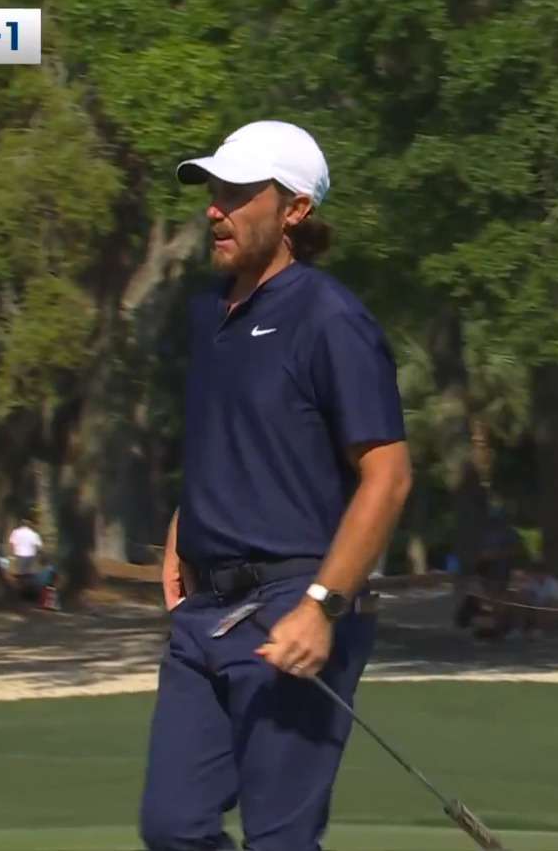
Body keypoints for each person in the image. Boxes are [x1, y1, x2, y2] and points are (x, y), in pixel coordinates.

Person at [140, 120, 413, 851]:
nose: (214, 209)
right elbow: (227, 440)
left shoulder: (331, 320)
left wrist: (323, 606)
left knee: (280, 840)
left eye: (236, 192)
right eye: (213, 192)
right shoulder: (206, 313)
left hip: (296, 604)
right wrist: (180, 531)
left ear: (295, 209)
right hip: (204, 615)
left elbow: (388, 476)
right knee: (172, 828)